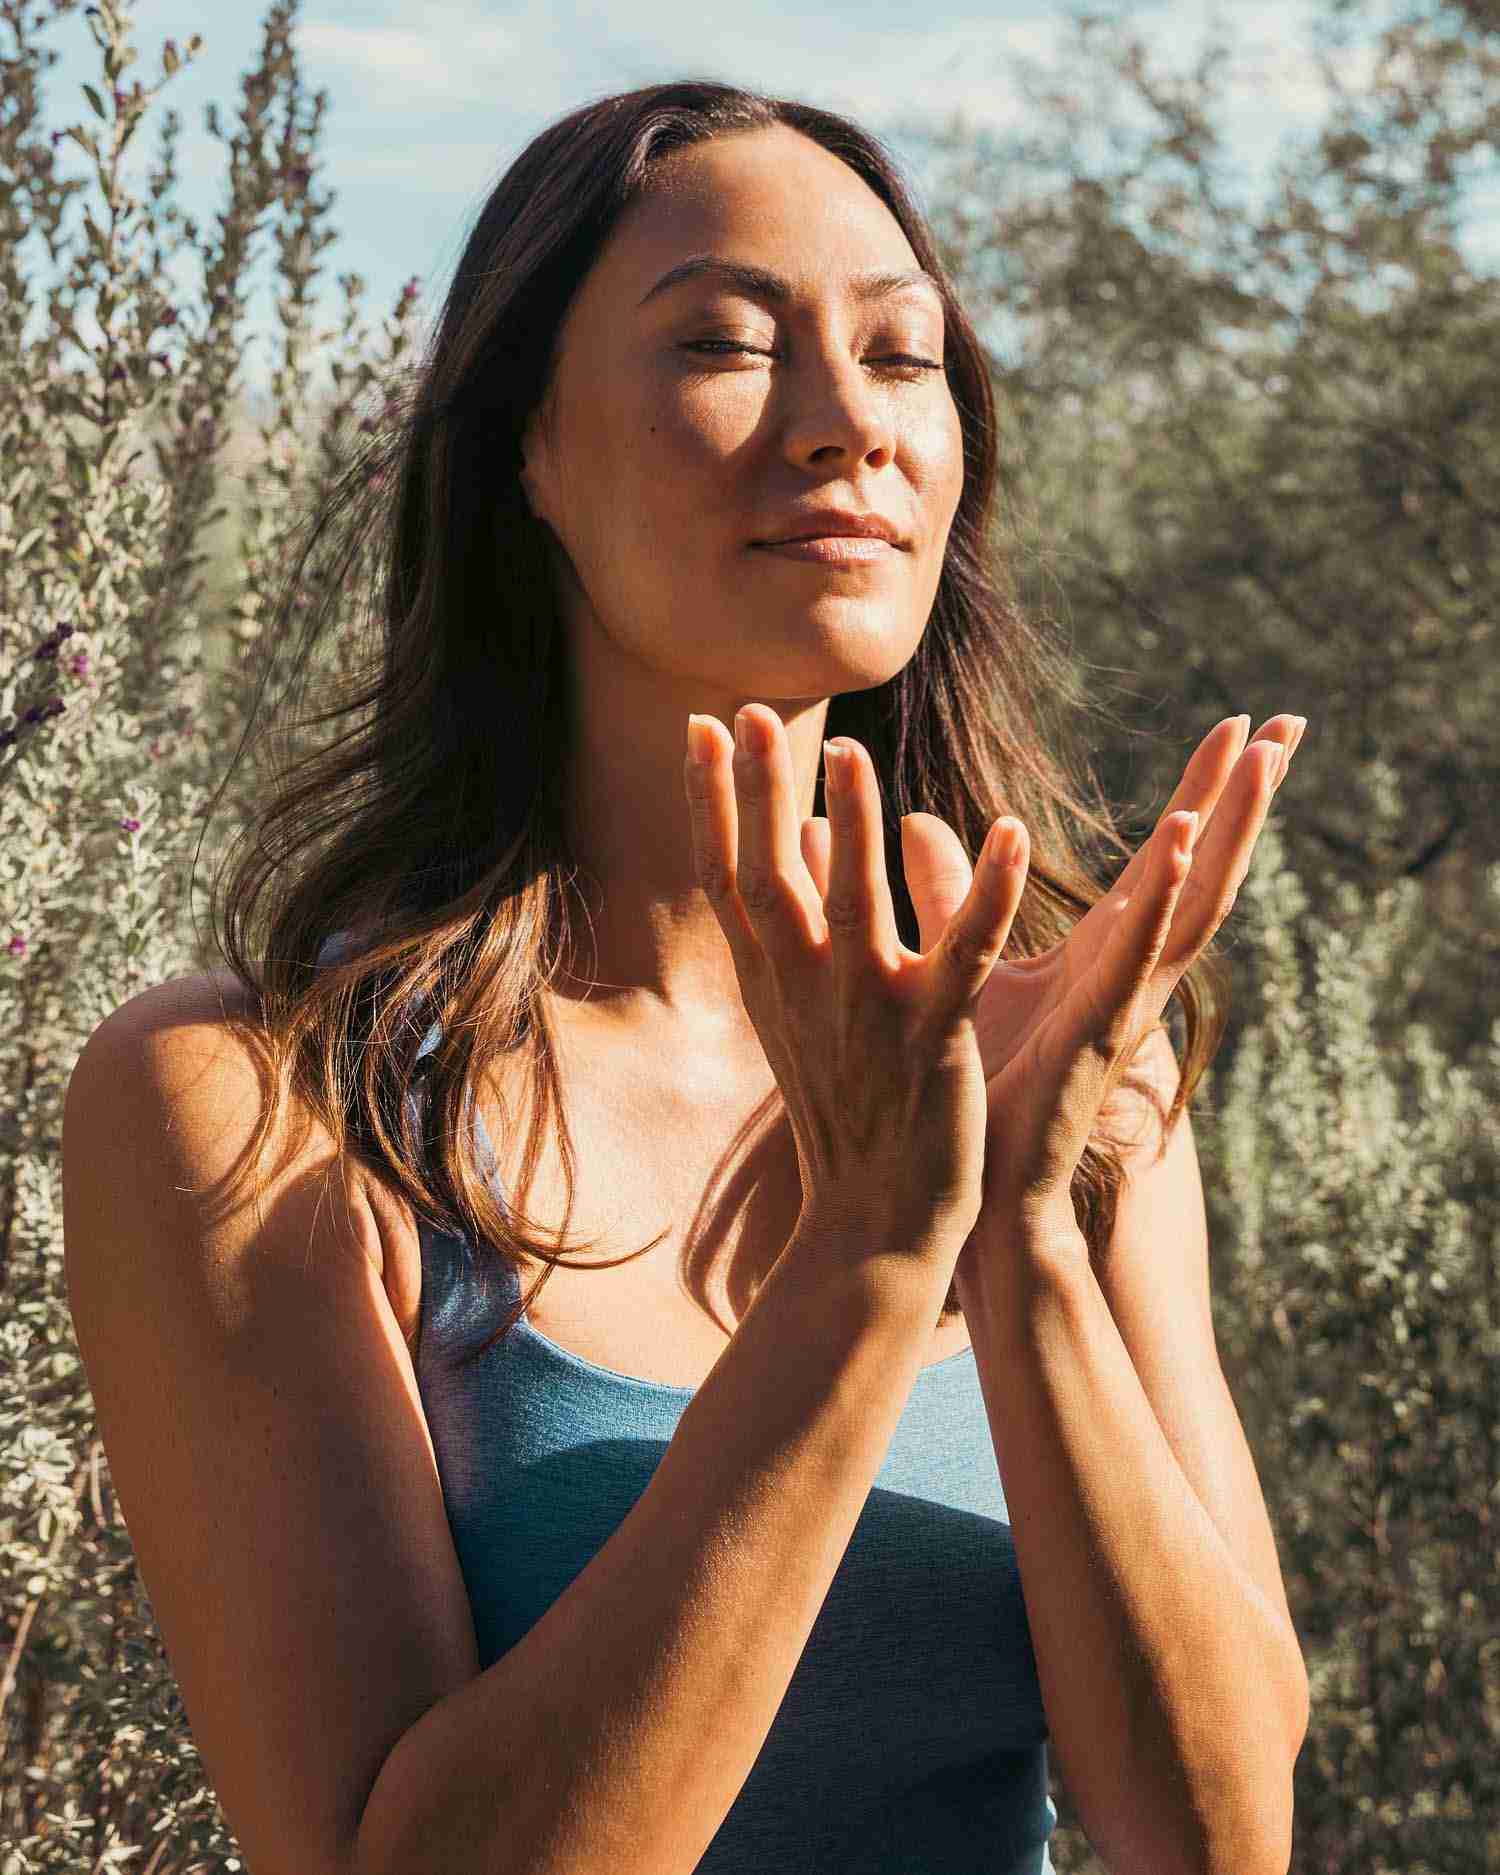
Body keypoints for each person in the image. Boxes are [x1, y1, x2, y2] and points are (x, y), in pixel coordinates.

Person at [62, 80, 1306, 1875]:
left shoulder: (1065, 1065)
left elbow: (1216, 1835)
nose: (845, 428)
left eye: (904, 357)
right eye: (725, 344)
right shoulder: (263, 1107)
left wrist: (1022, 1227)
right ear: (527, 455)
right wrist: (874, 1257)